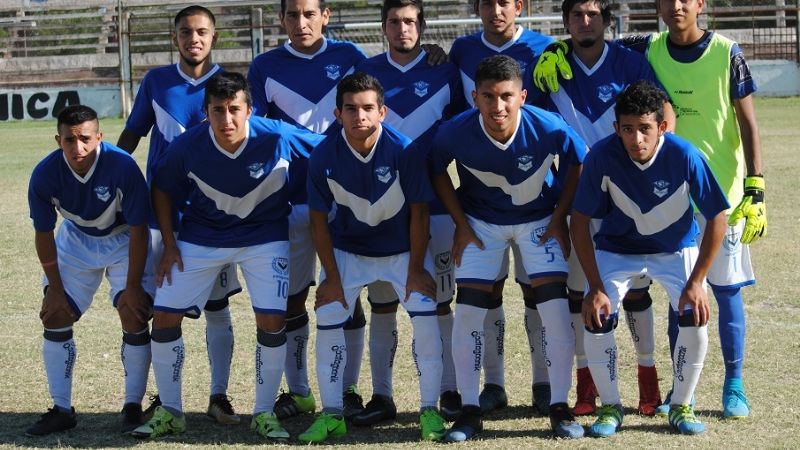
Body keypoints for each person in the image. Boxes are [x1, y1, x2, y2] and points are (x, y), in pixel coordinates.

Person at [534, 0, 766, 419]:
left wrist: (756, 185)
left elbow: (740, 119)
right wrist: (554, 48)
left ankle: (721, 384)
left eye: (593, 13)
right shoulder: (643, 47)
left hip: (702, 186)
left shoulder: (720, 52)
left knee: (717, 291)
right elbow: (590, 45)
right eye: (575, 16)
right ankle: (619, 390)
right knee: (611, 293)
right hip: (612, 189)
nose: (676, 6)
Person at [130, 72, 319, 440]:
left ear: (250, 110)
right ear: (206, 112)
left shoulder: (278, 136)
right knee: (165, 317)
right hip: (202, 238)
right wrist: (170, 244)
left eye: (235, 109)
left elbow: (330, 152)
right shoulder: (187, 146)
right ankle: (171, 412)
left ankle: (264, 414)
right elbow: (162, 190)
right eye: (218, 110)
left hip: (265, 237)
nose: (227, 119)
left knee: (271, 321)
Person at [526, 0, 672, 416]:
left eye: (593, 14)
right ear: (565, 21)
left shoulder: (628, 62)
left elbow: (661, 114)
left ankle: (648, 383)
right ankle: (586, 386)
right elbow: (529, 122)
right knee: (582, 293)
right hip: (574, 196)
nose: (584, 22)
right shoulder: (549, 67)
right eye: (576, 15)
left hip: (626, 195)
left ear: (606, 20)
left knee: (637, 292)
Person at [431, 55, 587, 441]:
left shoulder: (549, 126)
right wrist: (461, 225)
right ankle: (469, 410)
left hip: (539, 223)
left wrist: (559, 219)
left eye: (505, 96)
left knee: (553, 309)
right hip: (482, 225)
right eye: (488, 97)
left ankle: (558, 405)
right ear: (474, 97)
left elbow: (579, 164)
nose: (497, 107)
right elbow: (436, 170)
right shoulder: (455, 132)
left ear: (522, 96)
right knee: (468, 312)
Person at [570, 80, 729, 436]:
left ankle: (681, 405)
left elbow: (718, 217)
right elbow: (579, 223)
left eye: (645, 129)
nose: (636, 139)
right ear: (617, 129)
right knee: (597, 315)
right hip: (618, 249)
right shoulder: (601, 156)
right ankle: (611, 407)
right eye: (628, 129)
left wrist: (698, 282)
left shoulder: (685, 155)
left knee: (694, 313)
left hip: (675, 249)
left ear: (662, 127)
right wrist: (594, 286)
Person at [302, 72, 446, 443]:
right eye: (351, 109)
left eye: (368, 108)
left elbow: (420, 212)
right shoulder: (323, 156)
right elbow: (317, 221)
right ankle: (332, 413)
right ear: (338, 114)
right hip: (349, 250)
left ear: (382, 112)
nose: (359, 116)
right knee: (329, 312)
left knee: (426, 316)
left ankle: (430, 410)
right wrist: (331, 277)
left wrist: (415, 270)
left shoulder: (405, 151)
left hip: (403, 252)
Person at [116, 5, 242, 426]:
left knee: (218, 308)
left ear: (214, 37)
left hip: (213, 218)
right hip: (159, 218)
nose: (194, 38)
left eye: (202, 31)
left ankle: (218, 396)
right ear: (175, 38)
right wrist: (110, 176)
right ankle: (157, 399)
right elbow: (132, 135)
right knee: (158, 309)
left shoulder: (228, 86)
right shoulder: (156, 81)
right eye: (186, 32)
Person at [247, 0, 370, 420]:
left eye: (309, 14)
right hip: (292, 201)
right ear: (281, 19)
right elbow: (256, 130)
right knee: (293, 298)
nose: (301, 23)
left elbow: (368, 114)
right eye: (292, 15)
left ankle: (349, 390)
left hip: (346, 198)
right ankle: (299, 392)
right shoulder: (264, 65)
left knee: (347, 295)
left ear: (326, 15)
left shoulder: (351, 57)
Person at [353, 0, 466, 424]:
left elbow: (465, 131)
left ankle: (449, 391)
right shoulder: (365, 75)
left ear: (422, 26)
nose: (403, 29)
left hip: (434, 207)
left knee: (439, 302)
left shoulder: (445, 71)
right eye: (395, 21)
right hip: (380, 211)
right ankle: (382, 397)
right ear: (383, 26)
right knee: (383, 303)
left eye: (411, 22)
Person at [448, 0, 556, 414]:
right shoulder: (460, 51)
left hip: (535, 198)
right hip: (480, 202)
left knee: (537, 294)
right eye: (487, 2)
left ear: (520, 6)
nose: (496, 9)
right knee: (486, 294)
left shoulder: (546, 48)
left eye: (505, 2)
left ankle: (543, 382)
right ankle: (493, 385)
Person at [26, 105, 154, 435]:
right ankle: (62, 408)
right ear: (59, 140)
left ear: (99, 137)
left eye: (85, 139)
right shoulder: (44, 175)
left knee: (133, 311)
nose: (78, 147)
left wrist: (135, 285)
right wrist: (54, 289)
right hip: (77, 238)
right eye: (70, 140)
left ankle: (131, 405)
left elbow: (140, 229)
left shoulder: (122, 166)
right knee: (55, 313)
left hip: (124, 238)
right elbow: (44, 234)